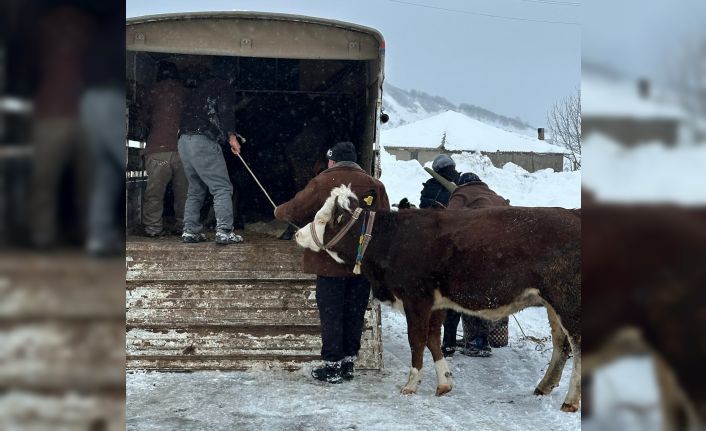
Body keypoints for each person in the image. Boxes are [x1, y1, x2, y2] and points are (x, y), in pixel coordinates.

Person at [274, 141, 390, 384]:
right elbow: (385, 221)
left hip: (330, 262)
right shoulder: (374, 185)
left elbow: (296, 209)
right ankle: (348, 363)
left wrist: (279, 211)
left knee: (332, 313)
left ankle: (332, 365)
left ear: (331, 161)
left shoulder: (322, 182)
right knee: (355, 312)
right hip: (361, 262)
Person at [445, 172, 511, 357]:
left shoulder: (462, 194)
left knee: (470, 296)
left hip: (476, 255)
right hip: (501, 257)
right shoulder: (495, 196)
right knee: (488, 297)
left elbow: (448, 220)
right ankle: (482, 338)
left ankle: (478, 342)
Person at [178, 56, 243, 245]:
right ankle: (224, 231)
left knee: (196, 187)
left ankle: (190, 231)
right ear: (232, 74)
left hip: (183, 140)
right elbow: (225, 111)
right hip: (202, 140)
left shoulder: (200, 88)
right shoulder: (224, 87)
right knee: (222, 187)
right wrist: (232, 137)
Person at [141, 62, 189, 237]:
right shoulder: (185, 93)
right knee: (184, 193)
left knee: (154, 193)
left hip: (157, 149)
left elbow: (144, 117)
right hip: (183, 150)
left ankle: (153, 228)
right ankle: (184, 227)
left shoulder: (152, 91)